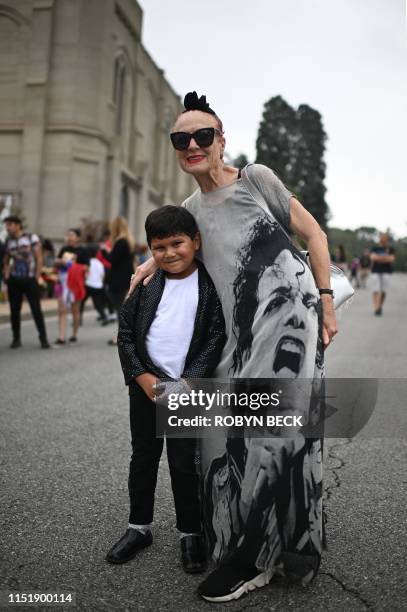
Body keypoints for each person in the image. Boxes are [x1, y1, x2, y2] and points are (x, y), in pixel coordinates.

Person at [128, 91, 337, 602]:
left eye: (204, 135)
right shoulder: (188, 209)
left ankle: (257, 558)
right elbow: (176, 245)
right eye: (182, 139)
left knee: (270, 432)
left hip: (289, 317)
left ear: (221, 140)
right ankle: (258, 535)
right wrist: (147, 266)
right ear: (177, 149)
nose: (193, 145)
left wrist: (327, 302)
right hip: (236, 332)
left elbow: (314, 235)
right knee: (225, 437)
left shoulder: (256, 179)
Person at [106, 205, 225, 574]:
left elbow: (215, 336)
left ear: (196, 242)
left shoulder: (209, 285)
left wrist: (188, 383)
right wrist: (142, 378)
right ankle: (138, 528)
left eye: (178, 243)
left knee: (183, 463)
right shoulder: (146, 284)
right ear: (150, 250)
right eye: (160, 247)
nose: (170, 253)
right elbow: (125, 334)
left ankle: (191, 532)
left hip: (185, 388)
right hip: (146, 386)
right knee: (143, 457)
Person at [2, 215, 50, 349]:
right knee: (14, 310)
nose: (8, 227)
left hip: (30, 279)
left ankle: (43, 338)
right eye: (7, 225)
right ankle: (16, 338)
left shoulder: (31, 238)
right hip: (14, 280)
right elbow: (6, 259)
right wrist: (6, 274)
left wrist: (36, 276)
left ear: (18, 225)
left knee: (36, 309)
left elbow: (39, 258)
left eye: (10, 224)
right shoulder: (8, 241)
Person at [101, 217, 135, 345]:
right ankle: (124, 335)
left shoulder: (120, 241)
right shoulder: (128, 241)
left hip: (118, 279)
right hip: (125, 277)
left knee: (120, 309)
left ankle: (121, 337)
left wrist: (104, 251)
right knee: (122, 308)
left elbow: (112, 259)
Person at [54, 229, 89, 345]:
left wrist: (73, 265)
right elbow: (56, 263)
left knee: (75, 310)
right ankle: (61, 337)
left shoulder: (83, 251)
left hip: (75, 283)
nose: (69, 237)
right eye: (67, 235)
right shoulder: (64, 249)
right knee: (62, 310)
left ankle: (74, 334)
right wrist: (61, 261)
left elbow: (86, 268)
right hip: (62, 282)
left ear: (78, 238)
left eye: (72, 235)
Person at [369, 232, 395, 316]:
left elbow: (391, 259)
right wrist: (385, 258)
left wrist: (379, 258)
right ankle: (376, 307)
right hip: (375, 270)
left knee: (384, 290)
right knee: (375, 289)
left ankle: (380, 305)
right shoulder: (375, 248)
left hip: (386, 271)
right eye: (382, 237)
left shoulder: (391, 249)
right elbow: (373, 257)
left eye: (385, 238)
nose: (383, 239)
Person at [83, 246, 109, 323]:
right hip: (98, 286)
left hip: (88, 285)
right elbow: (102, 275)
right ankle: (104, 316)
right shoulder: (100, 263)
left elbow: (86, 274)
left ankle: (78, 319)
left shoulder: (88, 263)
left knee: (81, 302)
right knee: (97, 304)